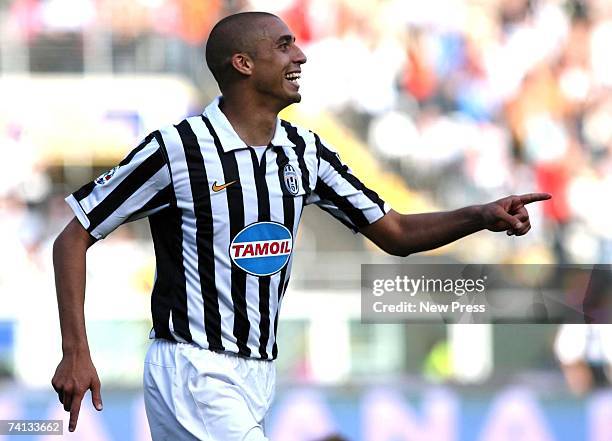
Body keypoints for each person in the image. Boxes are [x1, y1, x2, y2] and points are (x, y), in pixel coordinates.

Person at [51, 11, 551, 440]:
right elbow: (74, 234)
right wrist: (76, 351)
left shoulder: (303, 150)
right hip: (194, 368)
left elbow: (394, 232)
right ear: (243, 64)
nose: (300, 56)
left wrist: (480, 215)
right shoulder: (177, 149)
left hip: (259, 372)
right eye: (283, 45)